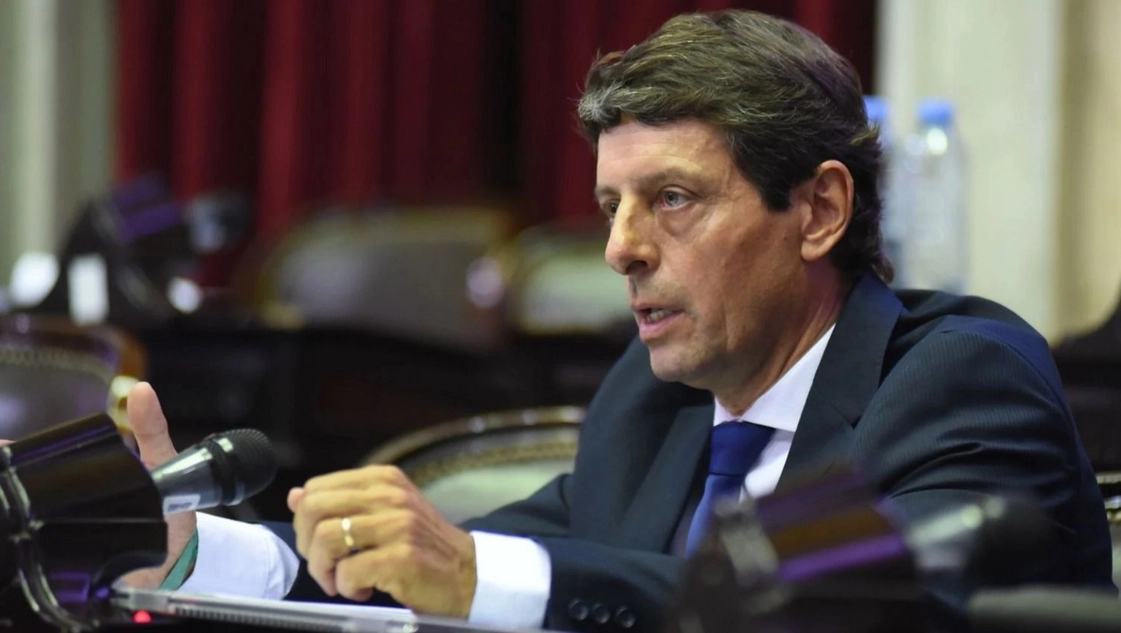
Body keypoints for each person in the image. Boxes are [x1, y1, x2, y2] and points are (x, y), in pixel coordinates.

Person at [122, 9, 1112, 632]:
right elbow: (444, 567)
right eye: (611, 206)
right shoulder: (653, 403)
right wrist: (192, 550)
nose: (619, 249)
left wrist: (472, 571)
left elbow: (860, 616)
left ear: (818, 211)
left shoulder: (960, 378)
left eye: (672, 199)